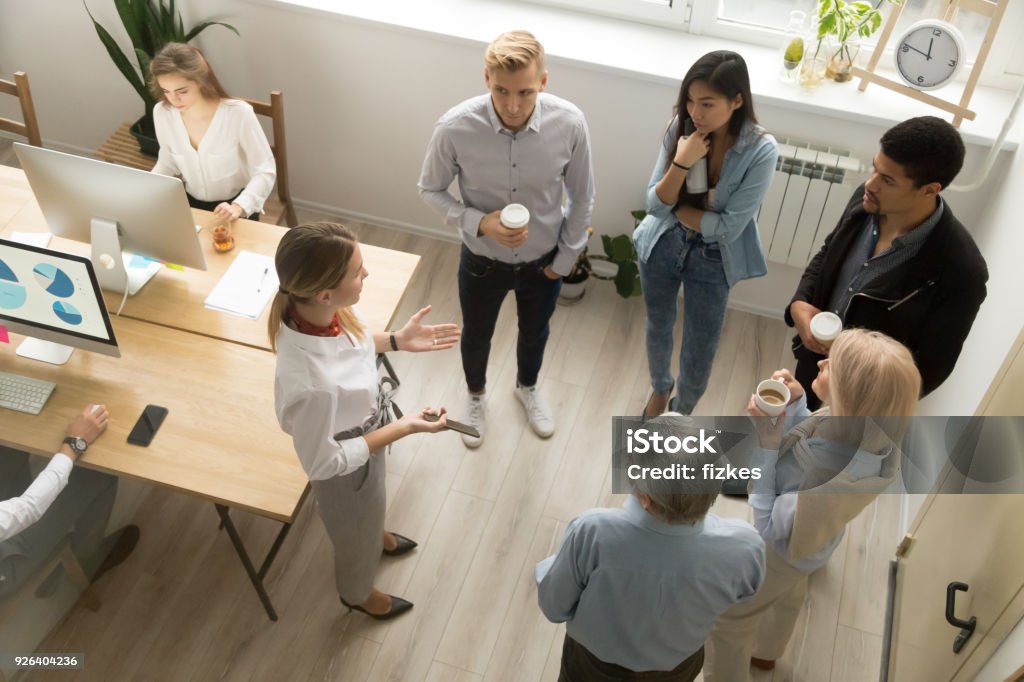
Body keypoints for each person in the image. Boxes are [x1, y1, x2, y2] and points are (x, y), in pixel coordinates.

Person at [703, 329, 921, 680]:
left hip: (778, 551)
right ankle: (767, 652)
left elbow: (769, 528)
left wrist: (768, 445)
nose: (821, 361)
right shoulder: (869, 436)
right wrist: (799, 403)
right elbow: (814, 434)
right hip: (812, 544)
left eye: (833, 367)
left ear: (850, 397)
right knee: (789, 593)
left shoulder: (822, 482)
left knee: (729, 621)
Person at [269, 222, 461, 620]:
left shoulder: (314, 311)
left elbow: (348, 345)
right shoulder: (312, 386)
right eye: (357, 271)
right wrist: (403, 426)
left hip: (365, 433)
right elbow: (323, 464)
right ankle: (356, 592)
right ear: (324, 293)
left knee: (372, 504)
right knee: (354, 533)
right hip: (344, 464)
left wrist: (395, 340)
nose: (366, 275)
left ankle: (374, 533)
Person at [418, 30, 595, 447]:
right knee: (477, 334)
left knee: (536, 332)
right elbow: (430, 189)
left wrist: (565, 261)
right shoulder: (455, 127)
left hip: (544, 262)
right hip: (481, 260)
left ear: (544, 82)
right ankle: (475, 396)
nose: (512, 105)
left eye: (525, 92)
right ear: (486, 79)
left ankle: (527, 387)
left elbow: (583, 195)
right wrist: (480, 222)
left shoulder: (570, 123)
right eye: (501, 90)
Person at [536, 414, 766, 681]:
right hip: (677, 669)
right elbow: (744, 595)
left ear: (645, 498)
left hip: (592, 668)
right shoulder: (745, 547)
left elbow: (554, 606)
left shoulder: (593, 532)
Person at [786, 116, 988, 410]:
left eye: (888, 180)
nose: (871, 183)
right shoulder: (866, 200)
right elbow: (829, 252)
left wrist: (856, 396)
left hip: (859, 405)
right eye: (875, 168)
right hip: (814, 366)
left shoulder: (962, 272)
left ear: (930, 190)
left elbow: (931, 369)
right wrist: (800, 303)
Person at [634, 51, 778, 417]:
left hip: (714, 257)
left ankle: (680, 412)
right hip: (664, 241)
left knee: (700, 348)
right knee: (658, 324)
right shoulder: (679, 129)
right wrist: (683, 161)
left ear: (737, 100)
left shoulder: (761, 150)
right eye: (691, 101)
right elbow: (654, 203)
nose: (696, 113)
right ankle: (660, 388)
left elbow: (729, 227)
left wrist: (680, 210)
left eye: (708, 104)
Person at [1, 404, 139, 598]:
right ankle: (86, 562)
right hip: (5, 562)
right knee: (94, 474)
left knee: (7, 444)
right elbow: (27, 509)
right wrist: (75, 443)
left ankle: (46, 541)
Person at [149, 42, 276, 224]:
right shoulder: (162, 113)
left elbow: (265, 169)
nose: (173, 99)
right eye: (166, 91)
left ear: (200, 81)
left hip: (234, 207)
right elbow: (168, 163)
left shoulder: (238, 114)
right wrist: (145, 189)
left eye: (182, 91)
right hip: (190, 206)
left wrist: (239, 207)